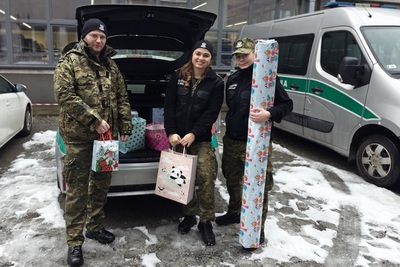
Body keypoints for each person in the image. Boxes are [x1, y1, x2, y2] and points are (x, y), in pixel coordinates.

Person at [54, 18, 133, 267]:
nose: (98, 40)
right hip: (79, 139)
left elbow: (121, 96)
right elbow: (65, 96)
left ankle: (95, 227)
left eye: (102, 37)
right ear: (85, 37)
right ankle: (74, 243)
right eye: (93, 36)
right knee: (77, 192)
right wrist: (94, 120)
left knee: (100, 186)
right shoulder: (70, 62)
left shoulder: (110, 65)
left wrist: (125, 126)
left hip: (106, 141)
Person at [216, 38, 293, 247]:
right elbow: (230, 108)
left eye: (245, 55)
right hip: (232, 140)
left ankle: (258, 226)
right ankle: (234, 213)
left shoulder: (267, 78)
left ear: (255, 55)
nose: (241, 59)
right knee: (232, 180)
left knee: (260, 186)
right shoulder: (232, 79)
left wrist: (269, 113)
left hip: (255, 143)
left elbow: (287, 104)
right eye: (238, 56)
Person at [164, 40, 224, 246]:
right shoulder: (178, 76)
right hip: (178, 139)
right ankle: (188, 216)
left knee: (206, 179)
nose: (201, 58)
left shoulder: (216, 82)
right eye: (198, 53)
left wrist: (194, 134)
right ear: (192, 54)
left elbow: (211, 114)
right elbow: (169, 106)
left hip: (201, 140)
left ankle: (205, 222)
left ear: (210, 59)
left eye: (206, 55)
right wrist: (171, 132)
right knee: (182, 179)